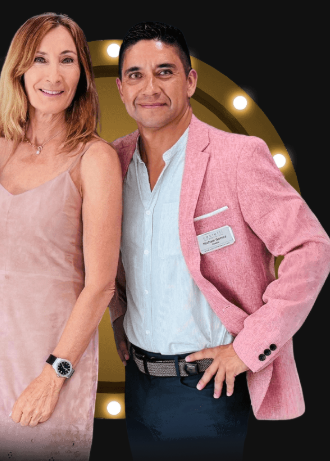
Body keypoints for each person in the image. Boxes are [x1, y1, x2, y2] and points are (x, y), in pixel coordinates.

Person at [109, 21, 330, 461]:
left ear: (190, 81)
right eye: (135, 75)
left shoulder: (238, 157)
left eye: (165, 71)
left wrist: (247, 350)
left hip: (209, 387)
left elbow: (312, 248)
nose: (149, 87)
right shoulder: (112, 161)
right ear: (120, 89)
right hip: (139, 382)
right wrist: (119, 316)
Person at [0, 12, 122, 461]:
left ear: (82, 73)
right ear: (19, 69)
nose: (53, 75)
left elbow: (100, 285)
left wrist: (53, 375)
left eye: (67, 59)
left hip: (52, 360)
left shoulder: (95, 158)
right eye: (40, 59)